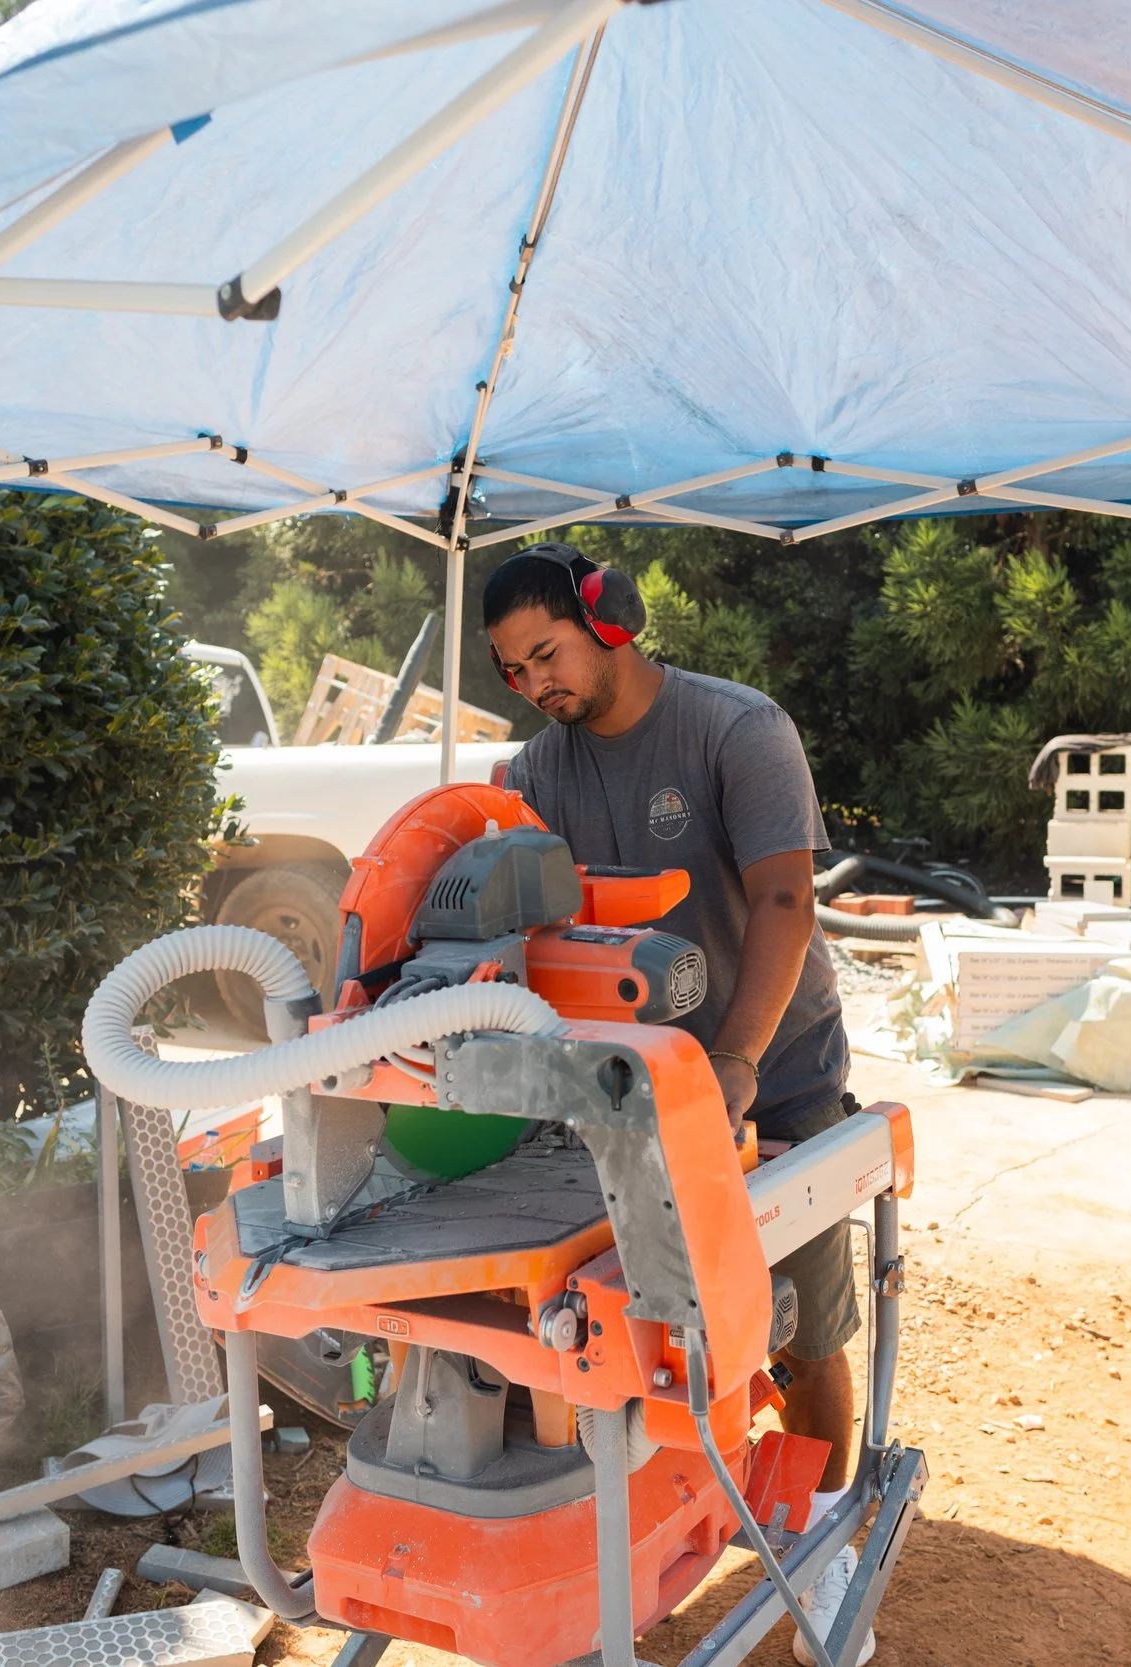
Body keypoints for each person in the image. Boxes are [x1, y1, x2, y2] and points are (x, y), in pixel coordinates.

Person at [483, 543, 874, 1667]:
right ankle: (652, 1524)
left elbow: (785, 899)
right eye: (514, 670)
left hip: (773, 1064)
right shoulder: (535, 771)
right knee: (635, 1323)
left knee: (796, 1324)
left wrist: (741, 1063)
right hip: (627, 1083)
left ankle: (814, 1536)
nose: (536, 685)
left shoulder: (736, 730)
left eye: (545, 653)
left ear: (610, 620)